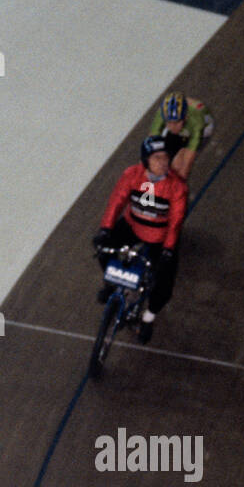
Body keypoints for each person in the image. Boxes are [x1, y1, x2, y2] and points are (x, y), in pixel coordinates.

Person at [93, 134, 187, 343]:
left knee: (164, 280)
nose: (163, 163)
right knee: (102, 249)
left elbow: (176, 221)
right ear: (145, 160)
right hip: (132, 225)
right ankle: (111, 285)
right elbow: (117, 200)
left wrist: (168, 249)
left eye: (165, 158)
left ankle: (148, 318)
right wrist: (105, 229)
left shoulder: (177, 187)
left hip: (160, 236)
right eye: (157, 158)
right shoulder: (132, 175)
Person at [149, 91, 214, 181]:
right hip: (184, 127)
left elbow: (186, 166)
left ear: (185, 117)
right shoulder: (162, 114)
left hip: (202, 130)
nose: (172, 127)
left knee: (178, 166)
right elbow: (151, 143)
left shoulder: (197, 123)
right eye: (169, 122)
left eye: (175, 123)